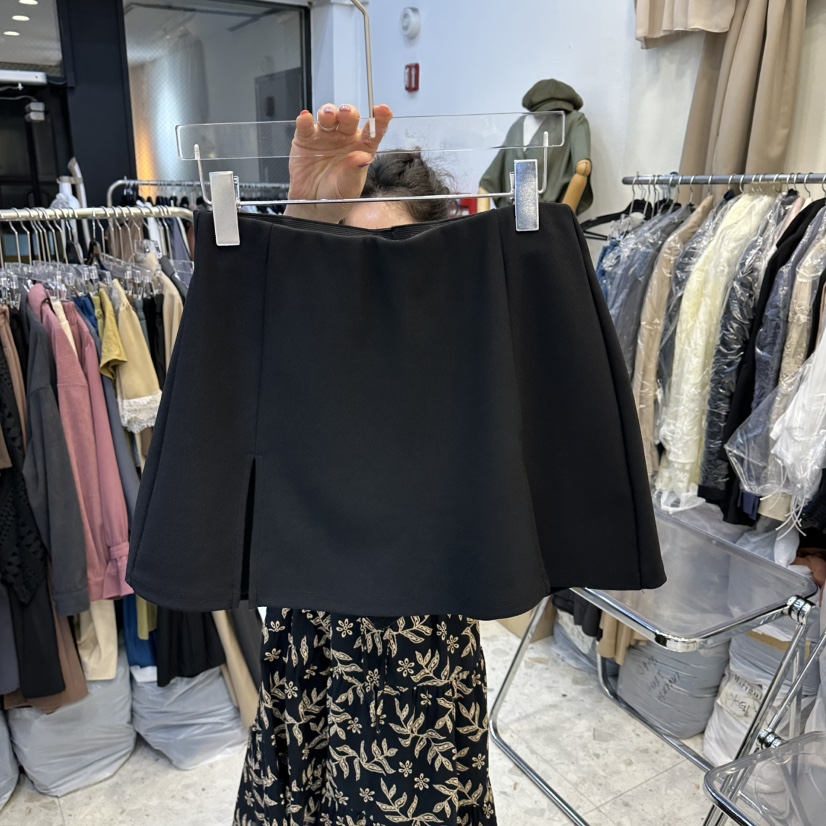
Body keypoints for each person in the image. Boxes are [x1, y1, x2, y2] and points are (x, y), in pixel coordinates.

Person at [233, 104, 497, 826]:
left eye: (395, 252)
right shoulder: (299, 349)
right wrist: (304, 223)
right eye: (351, 252)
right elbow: (240, 359)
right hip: (312, 627)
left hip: (423, 638)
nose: (372, 277)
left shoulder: (466, 358)